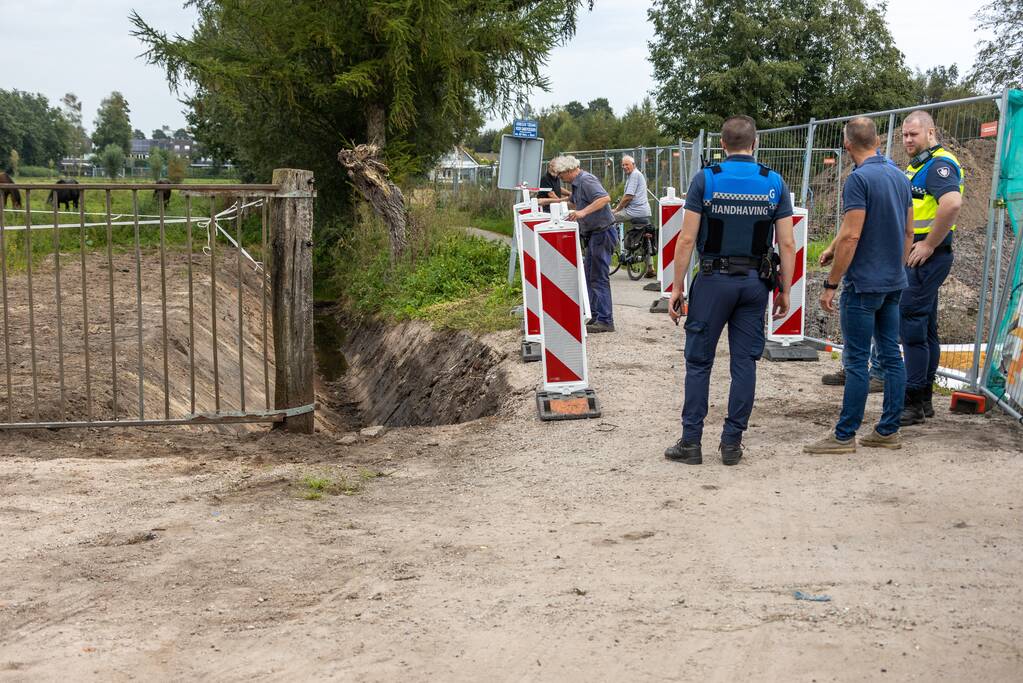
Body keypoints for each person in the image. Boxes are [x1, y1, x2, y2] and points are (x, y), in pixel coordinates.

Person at [665, 115, 795, 466]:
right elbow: (787, 242)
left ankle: (691, 442)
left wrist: (676, 289)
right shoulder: (774, 182)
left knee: (699, 363)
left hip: (712, 282)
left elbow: (687, 238)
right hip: (755, 284)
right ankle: (732, 443)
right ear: (755, 144)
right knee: (745, 364)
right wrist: (784, 290)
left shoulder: (706, 179)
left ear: (722, 145)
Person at [804, 118, 914, 454]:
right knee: (892, 358)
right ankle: (888, 430)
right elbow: (909, 232)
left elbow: (854, 234)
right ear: (878, 140)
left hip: (863, 285)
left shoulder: (858, 179)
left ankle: (844, 436)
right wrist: (834, 246)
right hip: (893, 282)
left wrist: (831, 284)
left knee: (855, 361)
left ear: (847, 145)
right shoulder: (899, 175)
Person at [898, 110, 964, 424]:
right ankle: (923, 400)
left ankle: (912, 402)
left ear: (930, 132)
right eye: (904, 135)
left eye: (913, 134)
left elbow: (951, 203)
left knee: (911, 327)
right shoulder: (921, 165)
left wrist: (928, 244)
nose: (907, 140)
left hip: (927, 257)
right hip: (923, 257)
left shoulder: (939, 164)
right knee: (925, 329)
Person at [551, 155, 618, 333]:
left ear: (570, 170)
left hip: (602, 233)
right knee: (590, 276)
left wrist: (582, 213)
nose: (560, 178)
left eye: (561, 174)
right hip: (593, 234)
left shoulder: (587, 180)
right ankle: (595, 315)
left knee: (598, 277)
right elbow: (573, 201)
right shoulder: (576, 184)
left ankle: (605, 319)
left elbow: (604, 198)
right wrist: (552, 203)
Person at [612, 155, 655, 277]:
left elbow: (628, 196)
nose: (625, 167)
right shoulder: (635, 175)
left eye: (627, 164)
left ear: (633, 164)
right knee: (645, 236)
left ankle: (610, 243)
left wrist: (617, 209)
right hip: (645, 211)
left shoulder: (634, 175)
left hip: (634, 212)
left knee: (609, 218)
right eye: (623, 165)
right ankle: (650, 268)